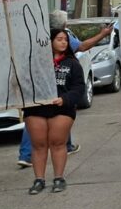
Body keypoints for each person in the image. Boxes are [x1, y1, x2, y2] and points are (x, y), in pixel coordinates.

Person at [15, 11, 111, 167]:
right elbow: (83, 46)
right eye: (60, 39)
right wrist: (102, 34)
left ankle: (40, 151)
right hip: (56, 91)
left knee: (46, 117)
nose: (63, 42)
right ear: (64, 25)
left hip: (43, 92)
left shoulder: (37, 38)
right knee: (48, 116)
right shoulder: (62, 38)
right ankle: (30, 154)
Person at [24, 29, 86, 194]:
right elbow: (24, 82)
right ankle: (39, 180)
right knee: (39, 144)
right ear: (50, 41)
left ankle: (59, 178)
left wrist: (65, 99)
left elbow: (79, 88)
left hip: (62, 109)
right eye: (59, 39)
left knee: (58, 142)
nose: (64, 42)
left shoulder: (72, 63)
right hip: (36, 108)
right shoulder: (35, 62)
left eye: (65, 39)